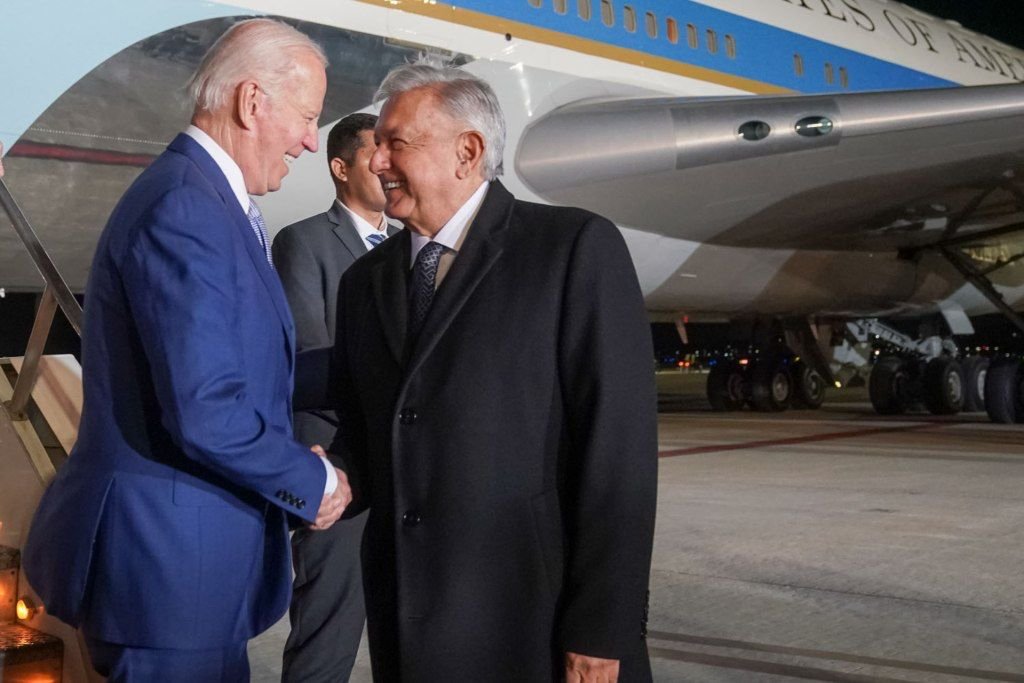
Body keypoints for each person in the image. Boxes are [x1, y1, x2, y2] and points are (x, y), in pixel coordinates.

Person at [22, 19, 350, 682]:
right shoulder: (186, 208)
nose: (311, 141)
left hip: (188, 576)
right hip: (168, 576)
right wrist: (312, 481)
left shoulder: (207, 199)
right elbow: (207, 410)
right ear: (252, 102)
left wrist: (370, 368)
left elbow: (241, 371)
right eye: (308, 117)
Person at [326, 62, 658, 682]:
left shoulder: (571, 249)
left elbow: (618, 455)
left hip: (534, 626)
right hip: (408, 625)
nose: (376, 161)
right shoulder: (363, 283)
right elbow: (365, 429)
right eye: (376, 145)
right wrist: (331, 479)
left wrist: (602, 626)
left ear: (468, 152)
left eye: (396, 143)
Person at [272, 112, 396, 683]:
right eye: (375, 152)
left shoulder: (408, 247)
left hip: (399, 465)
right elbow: (309, 357)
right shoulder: (305, 241)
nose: (387, 164)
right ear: (341, 168)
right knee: (328, 632)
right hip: (338, 463)